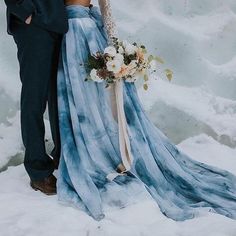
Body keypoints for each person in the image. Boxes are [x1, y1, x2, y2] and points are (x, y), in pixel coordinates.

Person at [4, 0, 68, 195]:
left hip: (60, 22)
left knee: (59, 97)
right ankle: (38, 170)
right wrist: (24, 11)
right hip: (33, 25)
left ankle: (61, 157)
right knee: (35, 96)